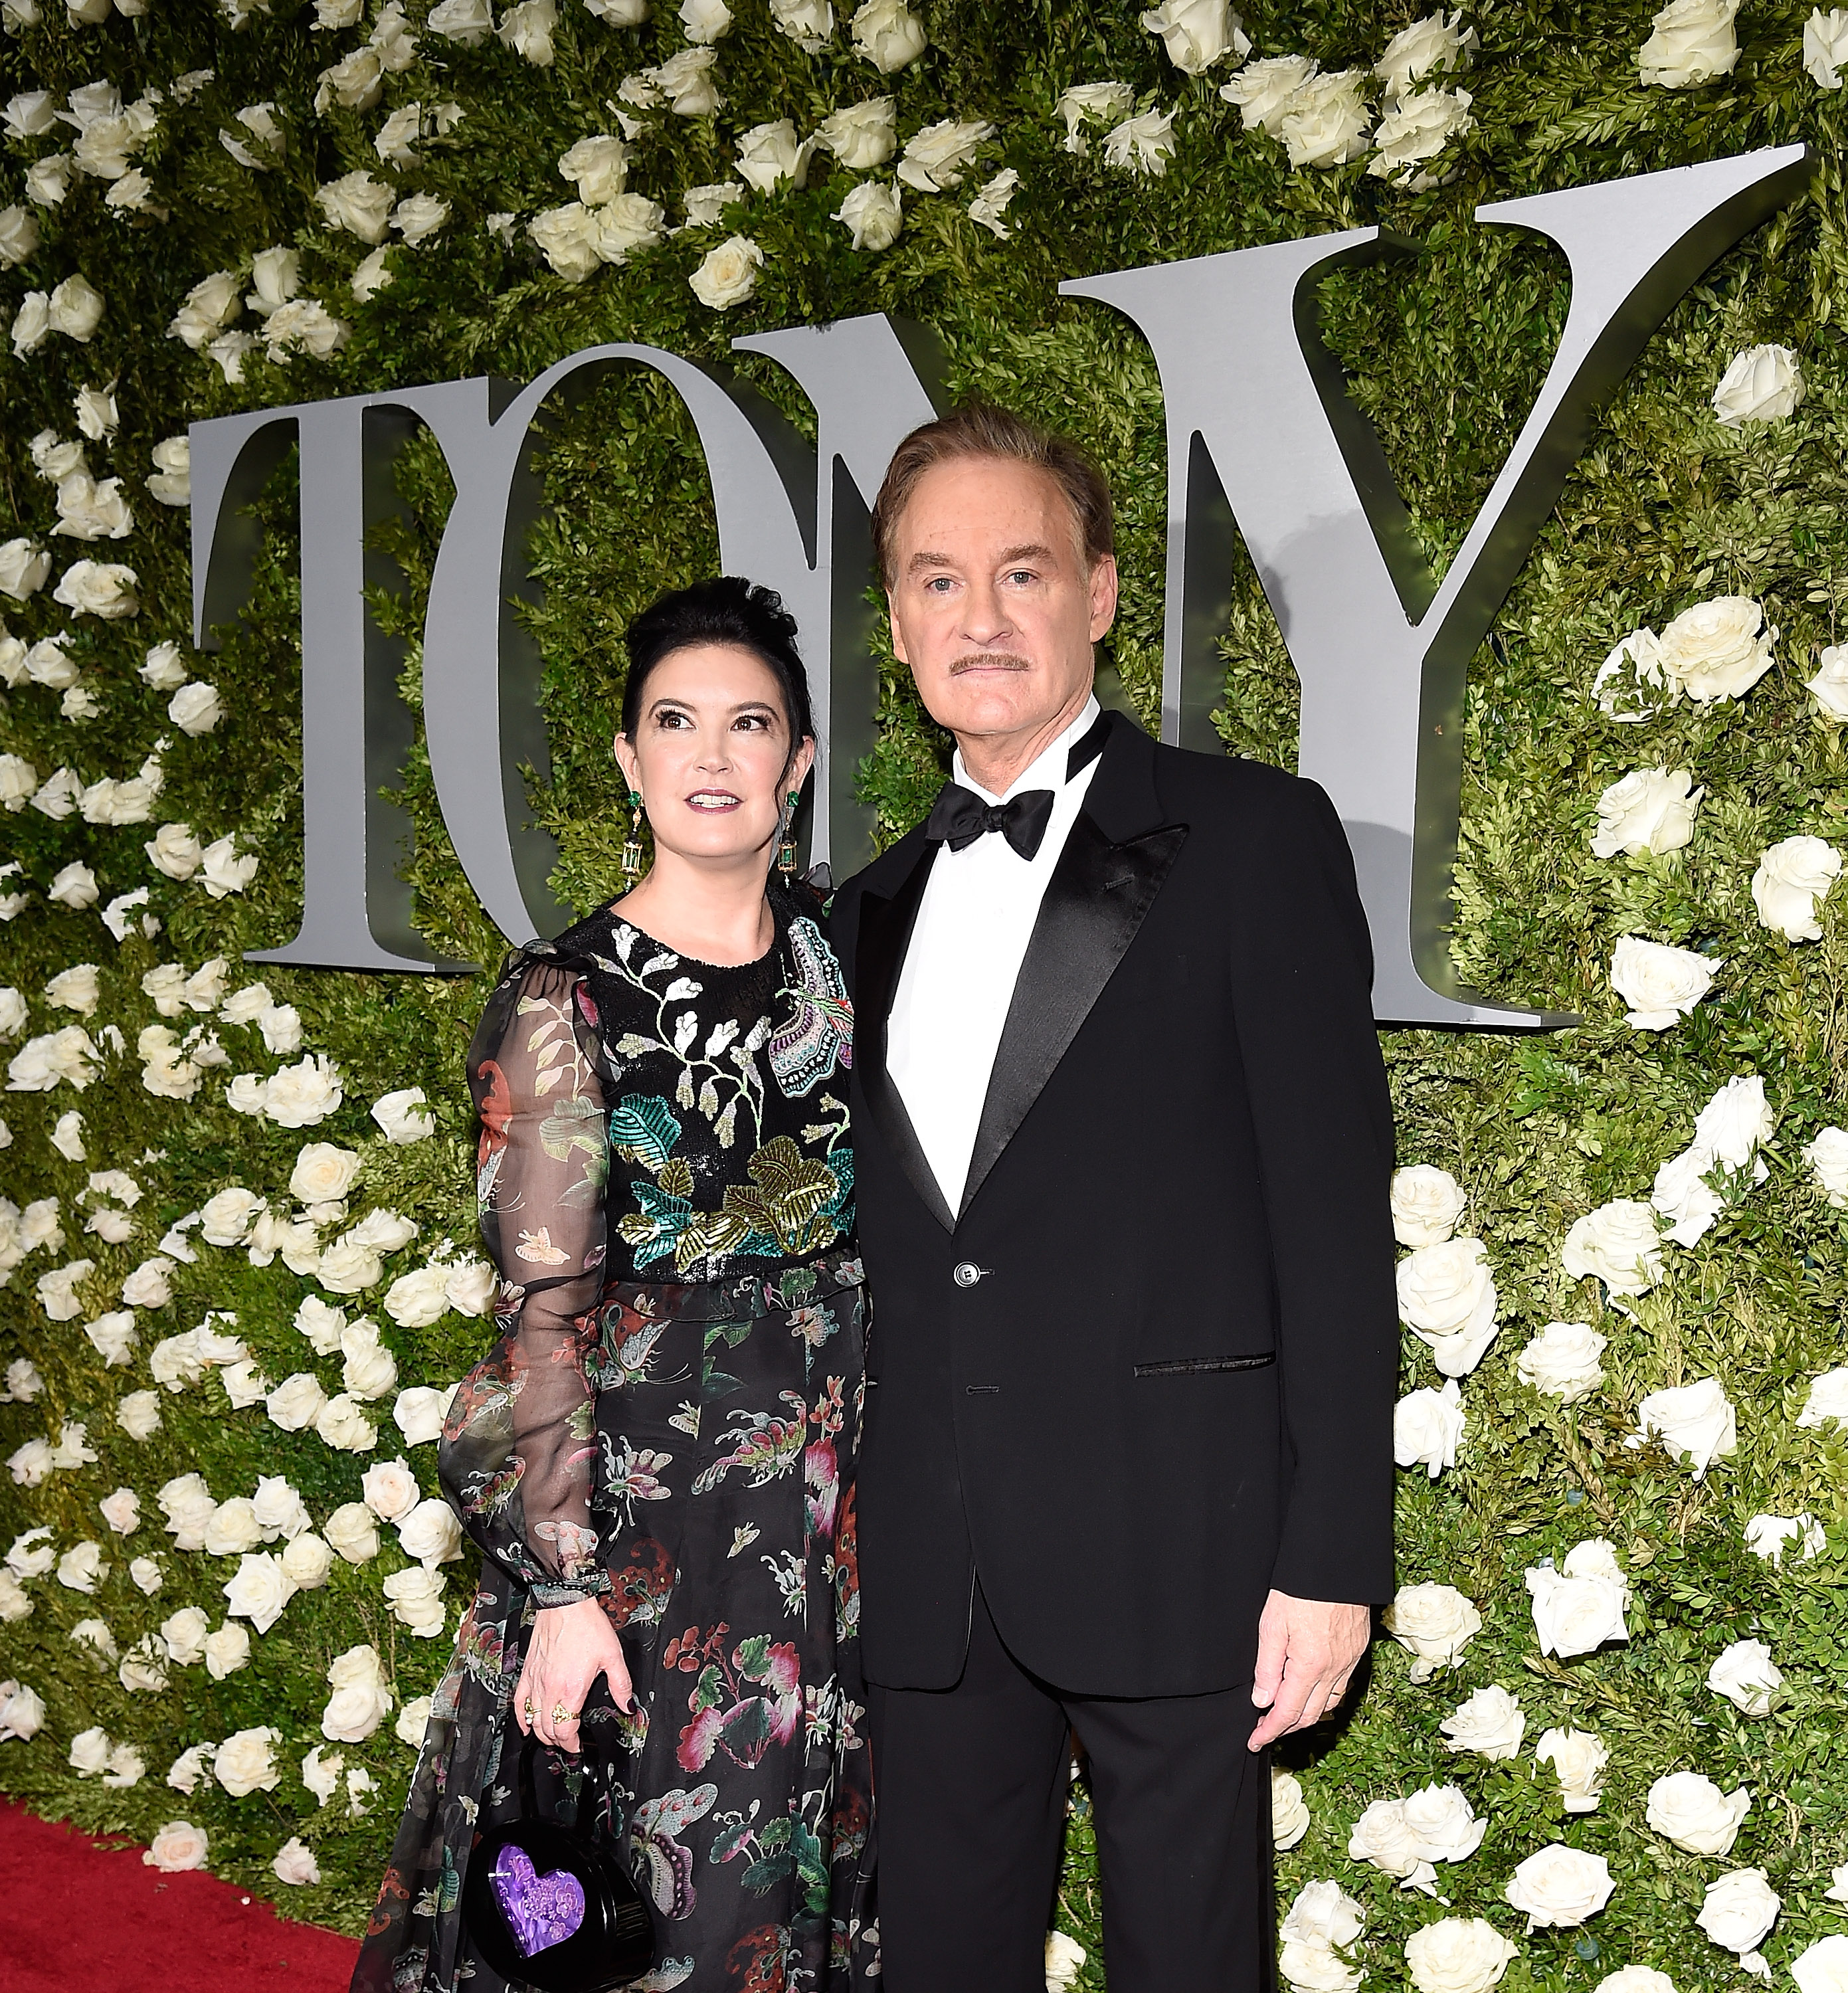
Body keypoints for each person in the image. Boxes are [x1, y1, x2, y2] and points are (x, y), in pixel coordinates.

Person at [830, 405, 1398, 1992]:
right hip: (931, 1567)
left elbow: (1333, 1227)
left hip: (1185, 1547)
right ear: (897, 627)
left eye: (1021, 571)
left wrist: (1334, 1553)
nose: (981, 617)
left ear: (1095, 592)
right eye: (937, 583)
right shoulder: (864, 909)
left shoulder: (1250, 837)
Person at [355, 577, 877, 1993]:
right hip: (652, 1536)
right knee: (655, 1913)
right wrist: (561, 1588)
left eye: (750, 724)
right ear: (630, 762)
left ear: (799, 765)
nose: (713, 757)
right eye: (676, 723)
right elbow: (541, 1315)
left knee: (804, 1895)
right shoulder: (564, 996)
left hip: (839, 1523)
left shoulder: (847, 957)